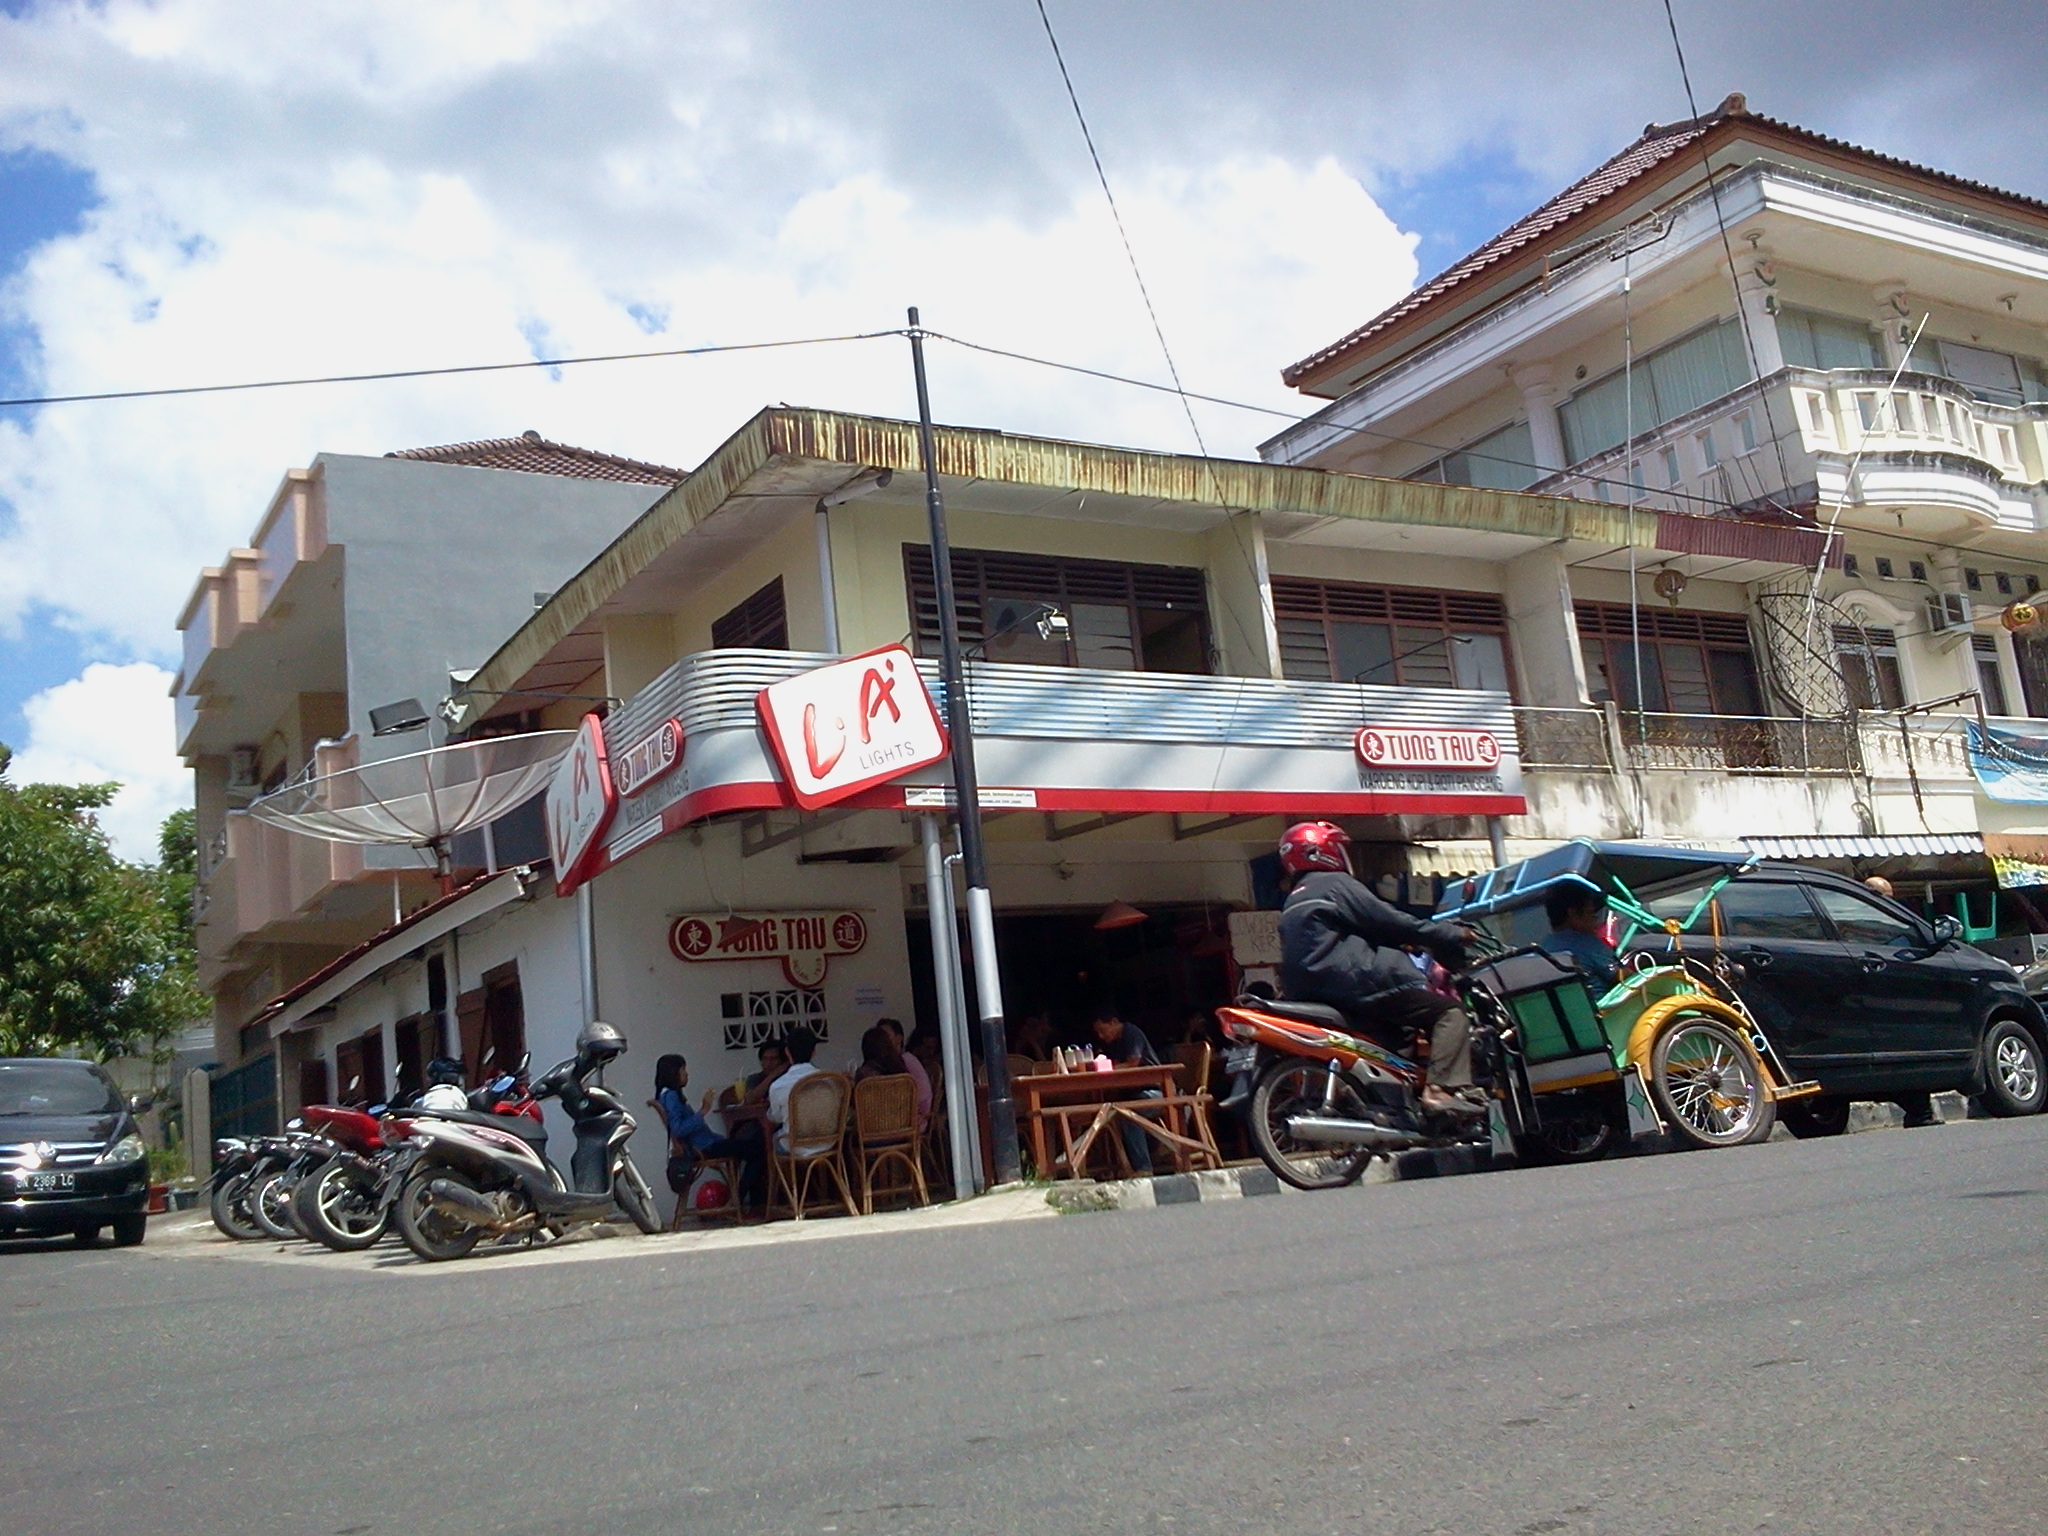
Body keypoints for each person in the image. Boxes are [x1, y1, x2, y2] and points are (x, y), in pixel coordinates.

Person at [1274, 820, 1483, 1121]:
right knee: (1449, 1014)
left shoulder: (1293, 899)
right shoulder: (1334, 884)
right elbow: (1390, 920)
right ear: (1322, 851)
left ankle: (1396, 1108)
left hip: (1317, 992)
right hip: (1357, 983)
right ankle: (1440, 1091)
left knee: (1401, 1032)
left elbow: (1359, 931)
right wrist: (1450, 933)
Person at [652, 1053, 764, 1208]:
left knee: (748, 1145)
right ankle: (740, 1199)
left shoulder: (667, 1095)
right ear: (674, 1073)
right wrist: (703, 1111)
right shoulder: (670, 1096)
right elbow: (677, 1129)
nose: (687, 1074)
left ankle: (745, 1200)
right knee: (758, 1151)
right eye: (683, 1070)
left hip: (706, 1143)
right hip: (701, 1148)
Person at [1090, 1001, 1165, 1174]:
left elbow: (1133, 1063)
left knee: (1128, 1115)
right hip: (1132, 1094)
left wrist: (1107, 1069)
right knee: (1111, 1112)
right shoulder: (1112, 1043)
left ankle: (1143, 1167)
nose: (1101, 1036)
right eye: (1098, 1033)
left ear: (1114, 1022)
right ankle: (1117, 1165)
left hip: (1155, 1092)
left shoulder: (1131, 1033)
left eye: (1103, 1030)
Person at [1538, 884, 1620, 991]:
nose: (1595, 921)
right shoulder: (1587, 944)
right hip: (1603, 1005)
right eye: (1591, 913)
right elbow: (1623, 977)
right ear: (1573, 914)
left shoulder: (1542, 949)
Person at [764, 1027, 821, 1152]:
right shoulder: (830, 1080)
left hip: (795, 1145)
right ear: (814, 1052)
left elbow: (776, 1118)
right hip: (828, 1142)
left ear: (787, 1052)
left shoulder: (779, 1085)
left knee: (772, 1138)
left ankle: (778, 1172)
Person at [876, 1018, 932, 1128]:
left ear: (899, 1038)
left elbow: (923, 1094)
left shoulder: (907, 1061)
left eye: (886, 1035)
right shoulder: (889, 1063)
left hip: (913, 1119)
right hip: (897, 1117)